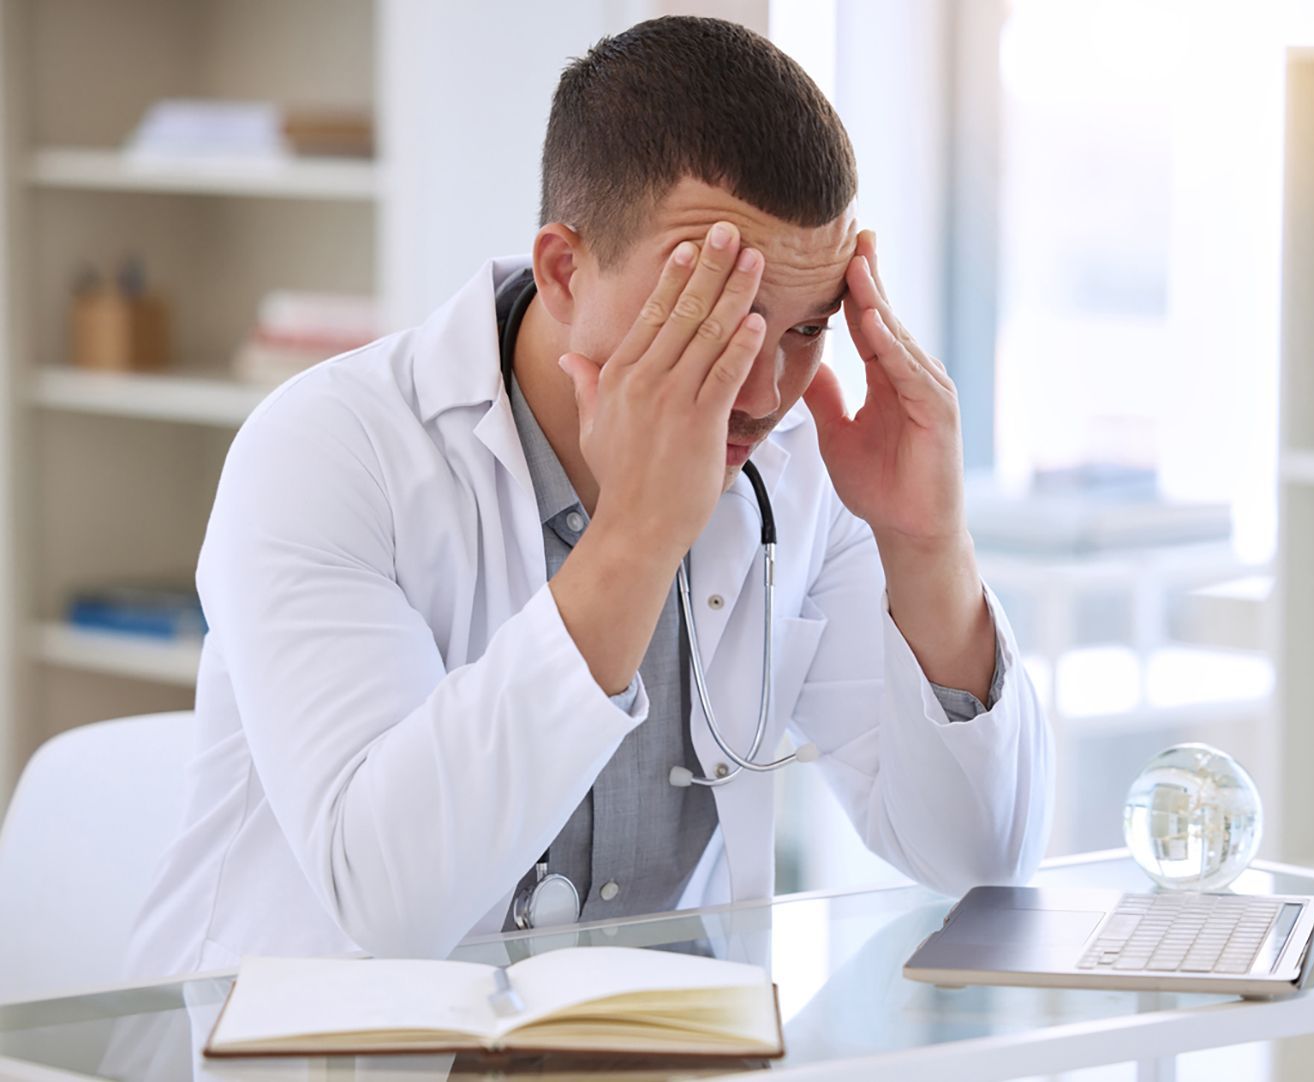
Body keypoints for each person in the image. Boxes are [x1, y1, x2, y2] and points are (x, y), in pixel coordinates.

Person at [125, 14, 1054, 981]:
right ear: (566, 271)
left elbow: (980, 865)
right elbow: (389, 901)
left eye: (805, 329)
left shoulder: (801, 467)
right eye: (720, 320)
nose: (764, 394)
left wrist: (928, 548)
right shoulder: (326, 449)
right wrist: (639, 538)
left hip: (660, 1043)